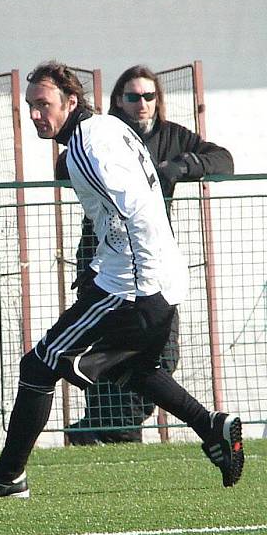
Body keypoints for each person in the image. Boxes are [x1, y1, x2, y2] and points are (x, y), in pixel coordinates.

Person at [0, 62, 244, 498]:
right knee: (133, 369)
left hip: (133, 284)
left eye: (43, 105)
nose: (34, 115)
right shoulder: (106, 127)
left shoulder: (87, 146)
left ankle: (7, 477)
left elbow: (132, 211)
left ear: (70, 102)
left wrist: (135, 282)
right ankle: (212, 426)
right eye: (29, 106)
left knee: (40, 363)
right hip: (149, 274)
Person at [61, 65, 234, 445]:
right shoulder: (103, 135)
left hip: (151, 263)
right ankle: (104, 426)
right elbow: (65, 166)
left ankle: (115, 428)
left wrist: (181, 166)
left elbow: (223, 159)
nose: (142, 104)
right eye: (132, 97)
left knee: (155, 354)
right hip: (104, 259)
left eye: (149, 96)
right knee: (100, 349)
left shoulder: (172, 137)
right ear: (117, 102)